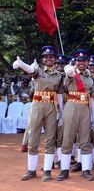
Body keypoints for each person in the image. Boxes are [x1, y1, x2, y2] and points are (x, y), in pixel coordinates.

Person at [14, 46, 64, 182]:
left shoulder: (60, 76)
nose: (49, 59)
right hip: (37, 106)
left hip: (51, 107)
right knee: (33, 139)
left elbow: (59, 95)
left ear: (55, 59)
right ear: (42, 59)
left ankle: (47, 171)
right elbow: (31, 71)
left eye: (51, 57)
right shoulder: (38, 71)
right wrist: (22, 65)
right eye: (46, 57)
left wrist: (60, 113)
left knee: (50, 139)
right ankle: (31, 170)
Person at [56, 49, 94, 181]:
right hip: (72, 106)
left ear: (87, 62)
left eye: (84, 61)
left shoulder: (90, 78)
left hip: (85, 108)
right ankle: (64, 170)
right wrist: (70, 67)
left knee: (85, 140)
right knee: (67, 138)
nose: (81, 63)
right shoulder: (72, 74)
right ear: (75, 62)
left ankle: (86, 170)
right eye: (79, 60)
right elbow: (68, 72)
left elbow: (90, 97)